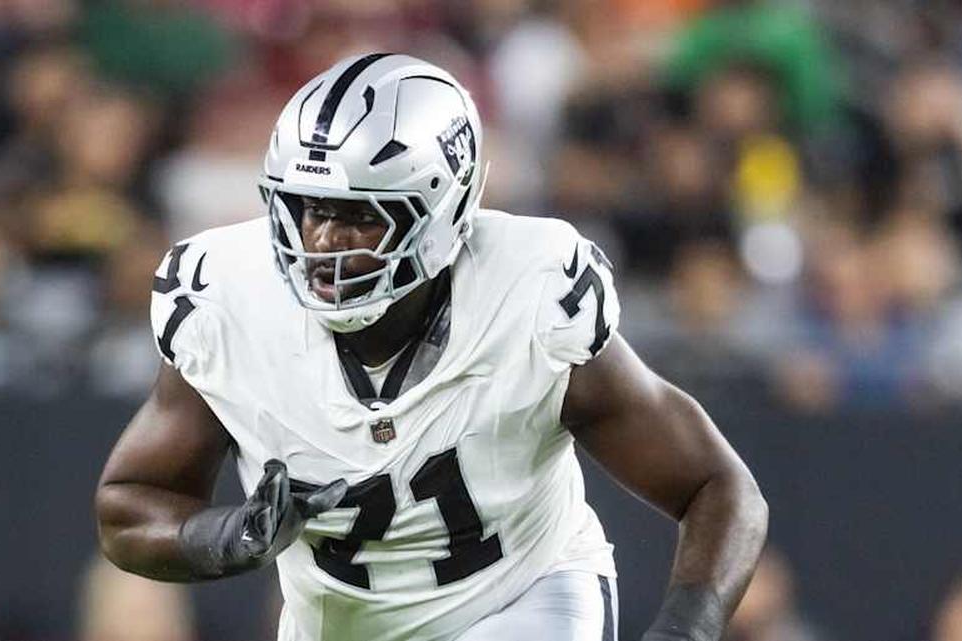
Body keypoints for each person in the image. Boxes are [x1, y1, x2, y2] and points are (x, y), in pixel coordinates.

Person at [95, 53, 768, 641]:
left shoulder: (527, 297)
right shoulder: (231, 302)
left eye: (360, 215)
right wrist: (227, 536)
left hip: (521, 596)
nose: (322, 241)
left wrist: (683, 630)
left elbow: (719, 486)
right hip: (341, 625)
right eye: (308, 207)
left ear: (441, 211)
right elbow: (129, 505)